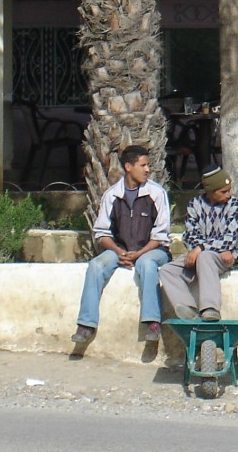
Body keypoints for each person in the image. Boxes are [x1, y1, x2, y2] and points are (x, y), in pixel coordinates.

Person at [71, 145, 171, 343]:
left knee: (147, 264)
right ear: (128, 167)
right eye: (142, 165)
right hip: (121, 250)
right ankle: (85, 325)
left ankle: (152, 323)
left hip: (153, 250)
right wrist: (118, 251)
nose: (147, 170)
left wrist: (140, 253)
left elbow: (161, 235)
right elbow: (102, 233)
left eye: (147, 165)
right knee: (96, 265)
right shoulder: (112, 195)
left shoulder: (156, 194)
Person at [159, 167, 238, 321]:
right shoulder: (194, 204)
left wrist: (201, 249)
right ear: (211, 192)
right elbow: (190, 236)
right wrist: (197, 250)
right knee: (167, 270)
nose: (228, 195)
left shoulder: (234, 205)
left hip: (225, 257)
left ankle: (211, 308)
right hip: (199, 255)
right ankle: (188, 308)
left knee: (205, 257)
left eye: (229, 190)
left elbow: (231, 238)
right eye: (223, 192)